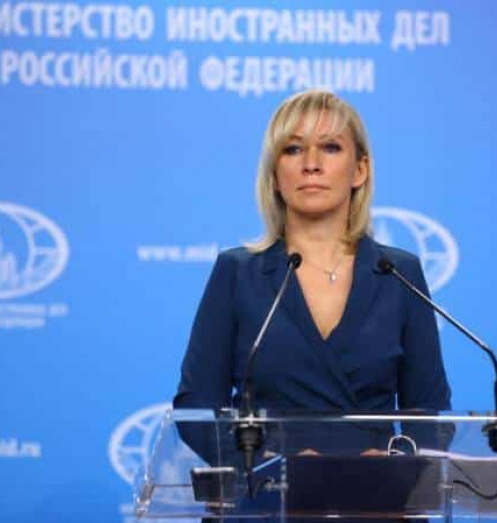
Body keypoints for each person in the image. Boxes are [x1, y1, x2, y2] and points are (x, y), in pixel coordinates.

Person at [173, 89, 451, 461]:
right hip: (268, 492)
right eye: (293, 149)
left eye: (330, 147)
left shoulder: (399, 274)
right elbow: (196, 409)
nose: (311, 164)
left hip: (377, 492)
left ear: (360, 170)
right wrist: (268, 465)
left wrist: (398, 465)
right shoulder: (237, 273)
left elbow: (429, 414)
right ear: (275, 175)